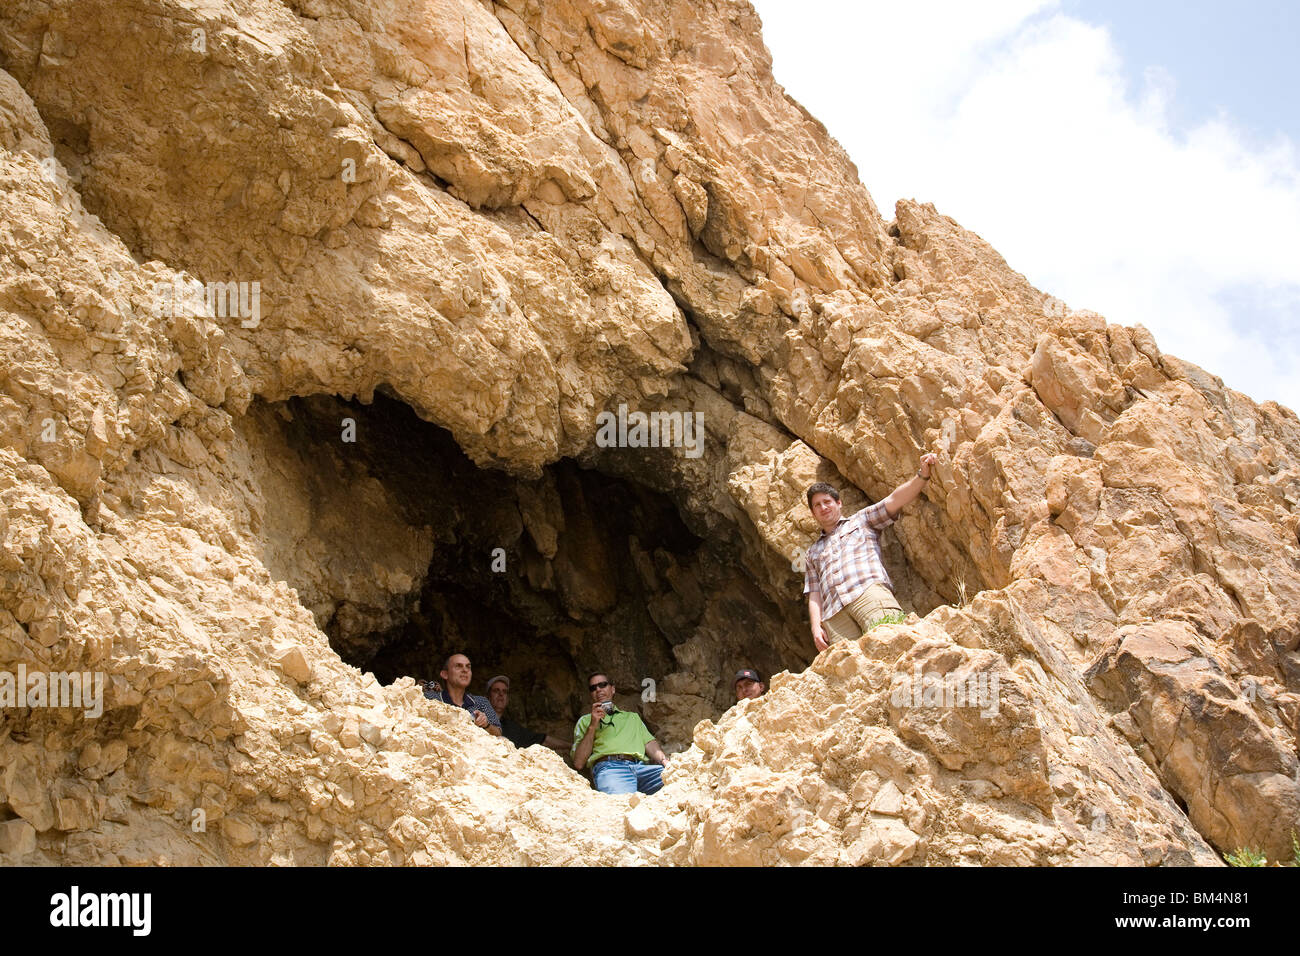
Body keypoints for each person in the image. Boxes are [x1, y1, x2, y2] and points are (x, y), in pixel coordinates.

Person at [804, 453, 938, 651]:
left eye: (827, 502)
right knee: (853, 672)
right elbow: (814, 593)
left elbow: (895, 499)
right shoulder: (812, 553)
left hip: (867, 593)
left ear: (838, 503)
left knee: (895, 646)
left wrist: (922, 475)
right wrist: (816, 627)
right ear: (813, 513)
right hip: (835, 617)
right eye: (817, 505)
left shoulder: (862, 521)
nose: (823, 507)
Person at [571, 671, 667, 794]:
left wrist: (665, 762)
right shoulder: (585, 721)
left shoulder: (632, 717)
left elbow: (649, 743)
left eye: (603, 685)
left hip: (641, 768)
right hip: (611, 769)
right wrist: (592, 726)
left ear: (613, 689)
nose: (598, 689)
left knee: (679, 779)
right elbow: (579, 763)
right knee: (623, 804)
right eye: (593, 688)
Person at [485, 675, 569, 754]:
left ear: (507, 700)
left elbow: (543, 740)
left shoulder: (513, 728)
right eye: (496, 690)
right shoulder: (478, 719)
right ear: (488, 697)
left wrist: (571, 746)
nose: (501, 694)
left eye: (505, 691)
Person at [429, 653, 502, 735]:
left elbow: (498, 733)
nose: (465, 670)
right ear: (445, 674)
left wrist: (486, 725)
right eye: (458, 666)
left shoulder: (481, 702)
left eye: (468, 667)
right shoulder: (430, 700)